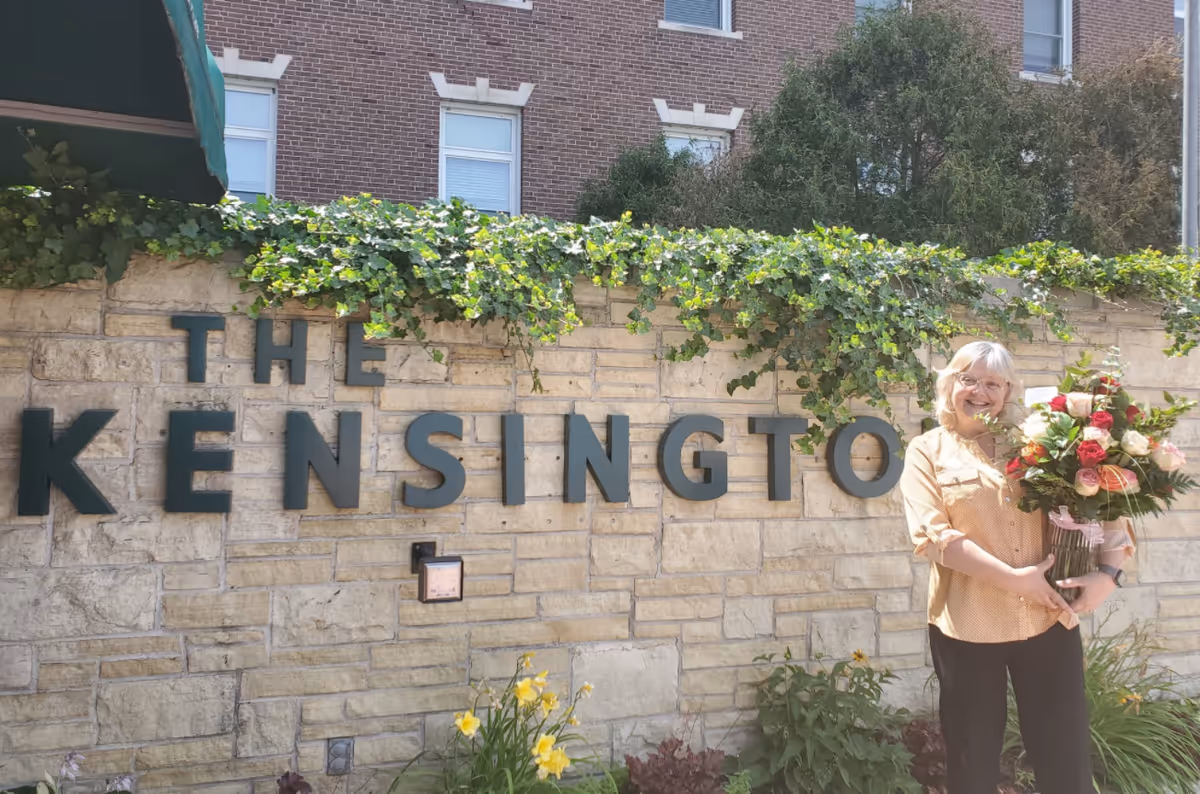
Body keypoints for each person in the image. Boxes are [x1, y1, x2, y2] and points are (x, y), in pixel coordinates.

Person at [900, 340, 1133, 794]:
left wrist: (1109, 574)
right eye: (969, 379)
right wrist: (1015, 581)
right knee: (973, 763)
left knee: (1065, 760)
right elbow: (935, 537)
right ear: (950, 384)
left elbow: (1104, 499)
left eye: (993, 383)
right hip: (968, 627)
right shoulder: (926, 450)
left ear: (1008, 391)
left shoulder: (1037, 439)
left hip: (1048, 618)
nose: (980, 392)